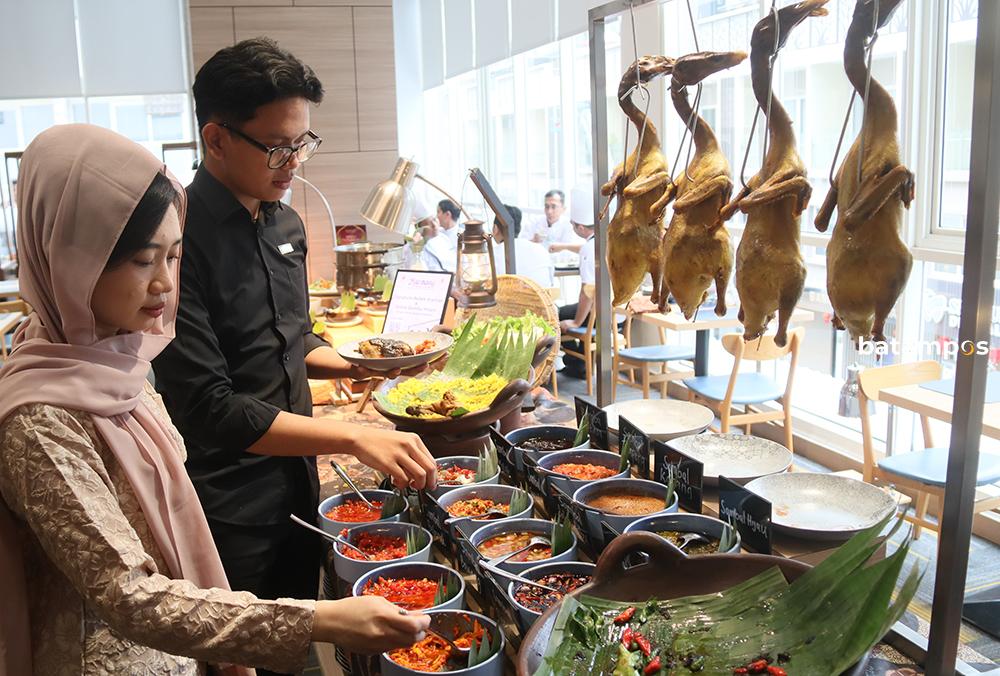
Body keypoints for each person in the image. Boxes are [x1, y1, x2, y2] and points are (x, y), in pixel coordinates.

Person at [0, 124, 430, 676]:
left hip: (183, 650)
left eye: (173, 257)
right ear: (69, 257)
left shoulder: (121, 361)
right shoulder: (40, 420)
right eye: (142, 260)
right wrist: (316, 620)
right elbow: (129, 595)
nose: (164, 284)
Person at [150, 37, 436, 644]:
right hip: (228, 501)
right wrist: (352, 435)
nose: (294, 163)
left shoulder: (285, 223)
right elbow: (208, 405)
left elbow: (292, 337)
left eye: (303, 144)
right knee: (244, 648)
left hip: (299, 481)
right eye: (279, 147)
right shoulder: (177, 240)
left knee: (304, 630)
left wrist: (360, 365)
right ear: (216, 138)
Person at [558, 188, 597, 379]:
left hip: (598, 314)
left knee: (557, 314)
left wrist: (576, 322)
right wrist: (564, 246)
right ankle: (580, 363)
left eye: (573, 225)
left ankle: (577, 363)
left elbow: (587, 293)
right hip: (617, 313)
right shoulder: (603, 241)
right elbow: (585, 248)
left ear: (581, 228)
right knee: (573, 310)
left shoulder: (588, 249)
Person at [492, 204, 555, 288]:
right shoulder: (541, 249)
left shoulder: (492, 255)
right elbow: (551, 282)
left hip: (507, 296)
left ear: (495, 229)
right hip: (541, 296)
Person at [519, 189, 583, 253]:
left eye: (553, 207)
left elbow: (570, 251)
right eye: (547, 207)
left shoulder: (569, 226)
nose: (549, 211)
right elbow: (522, 246)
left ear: (563, 209)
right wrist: (533, 241)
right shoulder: (534, 222)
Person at [424, 199, 461, 272]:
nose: (436, 216)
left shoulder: (461, 236)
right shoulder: (436, 233)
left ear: (447, 214)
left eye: (438, 212)